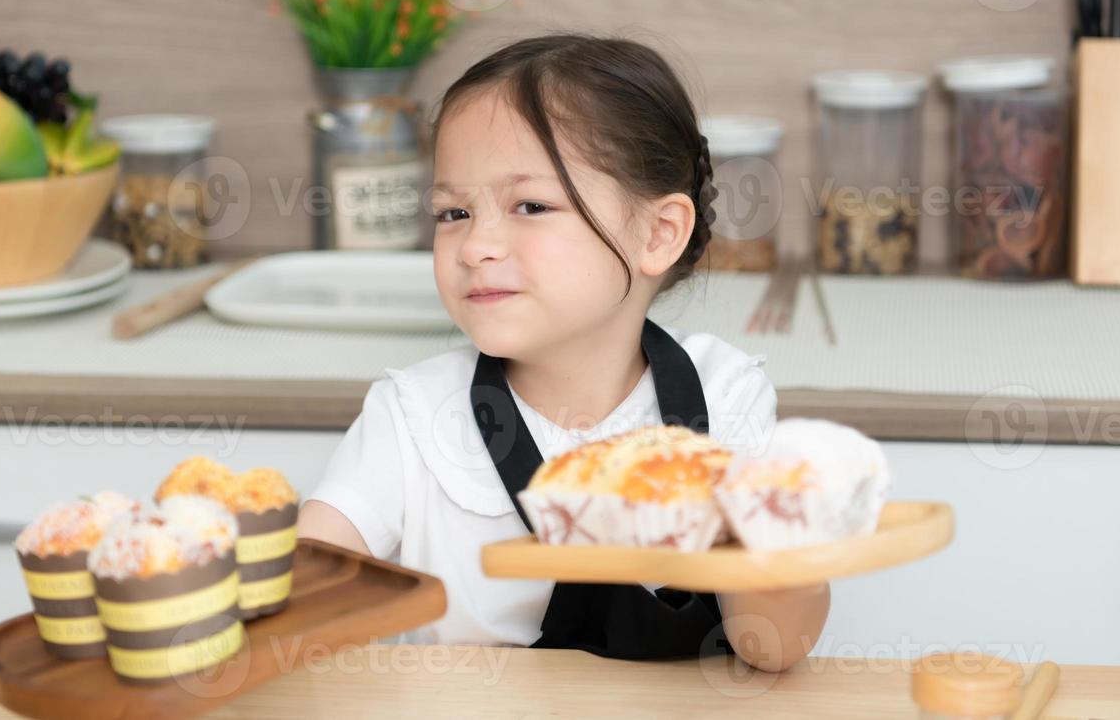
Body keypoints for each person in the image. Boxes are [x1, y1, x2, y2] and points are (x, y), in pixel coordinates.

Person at [299, 34, 830, 671]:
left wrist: (766, 541)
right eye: (452, 213)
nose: (475, 246)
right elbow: (305, 588)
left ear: (658, 234)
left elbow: (774, 650)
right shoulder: (411, 415)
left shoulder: (723, 398)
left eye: (531, 205)